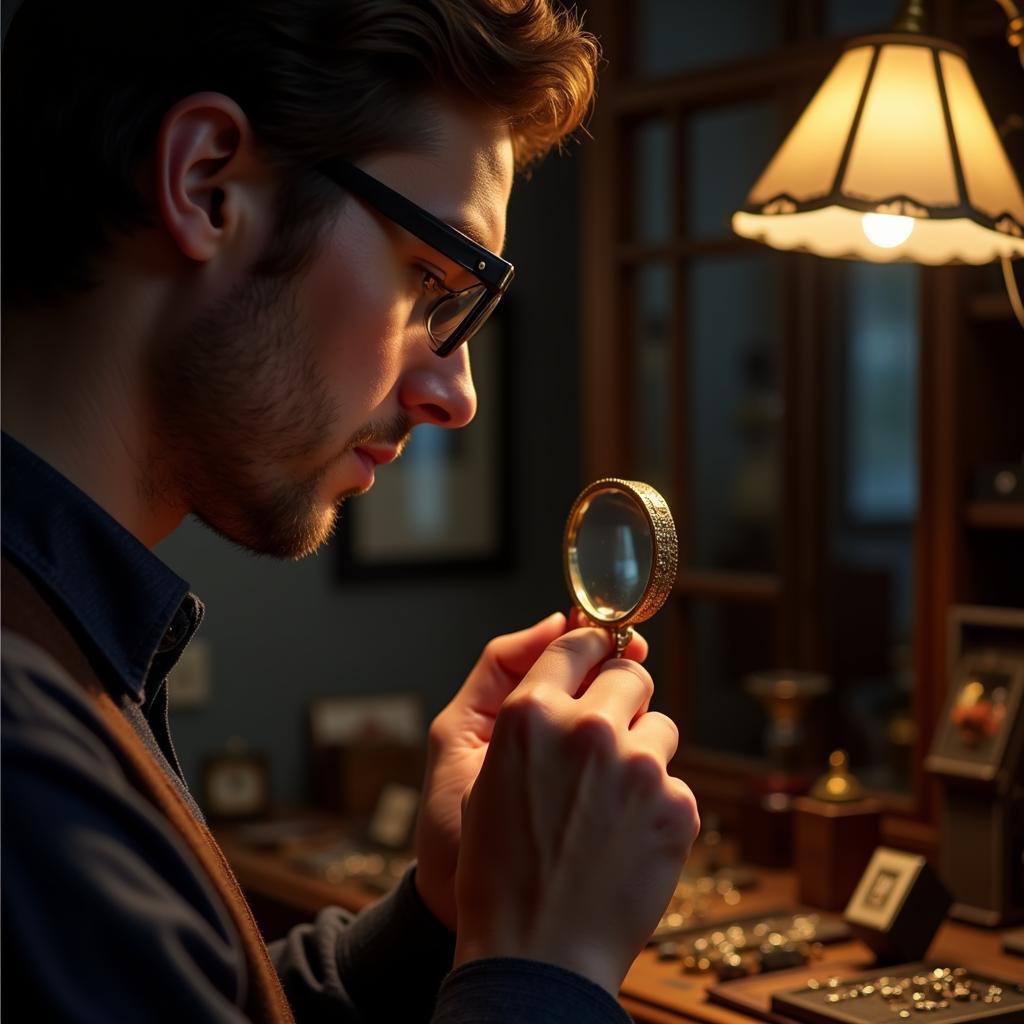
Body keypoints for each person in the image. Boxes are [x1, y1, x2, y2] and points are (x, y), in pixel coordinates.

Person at [0, 0, 701, 1020]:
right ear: (207, 184)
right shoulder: (22, 745)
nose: (454, 396)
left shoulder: (60, 638)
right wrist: (542, 965)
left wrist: (441, 910)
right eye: (429, 279)